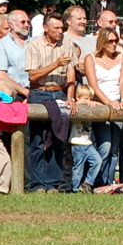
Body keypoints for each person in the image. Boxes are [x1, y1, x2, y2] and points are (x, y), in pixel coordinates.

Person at [24, 13, 77, 192]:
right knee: (38, 140)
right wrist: (55, 64)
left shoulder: (67, 44)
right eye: (56, 28)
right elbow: (32, 75)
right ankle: (38, 184)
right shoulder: (34, 46)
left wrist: (70, 96)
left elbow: (71, 73)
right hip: (40, 92)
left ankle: (54, 183)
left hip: (59, 93)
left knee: (58, 138)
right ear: (46, 28)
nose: (60, 31)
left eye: (61, 28)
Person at [84, 26, 123, 190]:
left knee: (114, 148)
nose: (113, 44)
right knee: (104, 146)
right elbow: (93, 85)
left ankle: (108, 182)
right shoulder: (90, 58)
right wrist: (107, 102)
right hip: (100, 104)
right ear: (102, 42)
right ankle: (97, 181)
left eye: (115, 41)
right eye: (110, 41)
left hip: (118, 102)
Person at [0, 10, 31, 97]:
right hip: (15, 94)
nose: (26, 25)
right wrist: (24, 92)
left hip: (36, 91)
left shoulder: (34, 42)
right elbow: (1, 75)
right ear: (11, 25)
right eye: (23, 22)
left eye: (28, 22)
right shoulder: (2, 45)